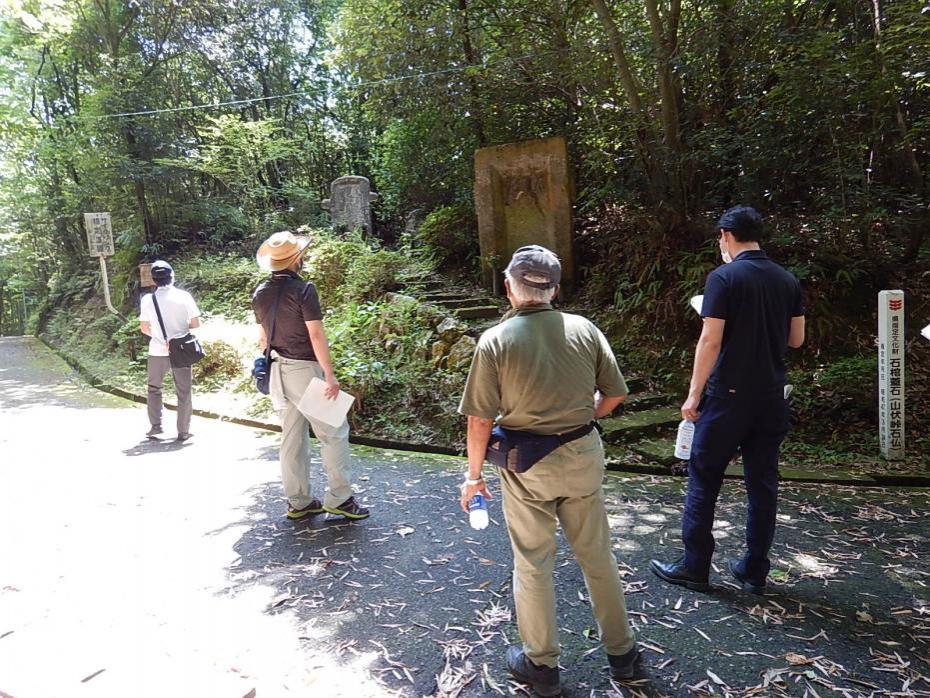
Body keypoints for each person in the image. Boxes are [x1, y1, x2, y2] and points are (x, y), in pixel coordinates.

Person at [458, 245, 638, 696]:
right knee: (597, 556)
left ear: (508, 287)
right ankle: (624, 655)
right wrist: (582, 416)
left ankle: (542, 664)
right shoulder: (584, 329)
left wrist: (474, 476)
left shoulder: (496, 340)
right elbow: (614, 396)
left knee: (534, 563)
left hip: (526, 470)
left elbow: (480, 419)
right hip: (581, 456)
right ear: (555, 288)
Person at [651, 205, 805, 594]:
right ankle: (755, 569)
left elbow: (711, 339)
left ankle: (695, 565)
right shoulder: (787, 280)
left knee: (704, 477)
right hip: (770, 396)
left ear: (725, 235)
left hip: (728, 397)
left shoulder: (723, 278)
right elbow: (796, 339)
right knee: (763, 482)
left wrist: (693, 394)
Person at [251, 231, 369, 521]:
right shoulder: (304, 290)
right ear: (297, 259)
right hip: (304, 370)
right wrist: (329, 375)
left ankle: (299, 501)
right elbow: (316, 333)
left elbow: (263, 338)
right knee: (334, 432)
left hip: (277, 370)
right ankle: (340, 498)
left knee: (292, 437)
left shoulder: (260, 293)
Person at [139, 260, 201, 442]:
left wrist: (160, 338)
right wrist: (179, 333)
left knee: (154, 388)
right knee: (184, 391)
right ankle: (183, 431)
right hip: (181, 350)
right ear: (172, 276)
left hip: (157, 351)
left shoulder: (147, 300)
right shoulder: (184, 297)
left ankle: (156, 426)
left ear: (154, 280)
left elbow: (144, 328)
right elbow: (195, 324)